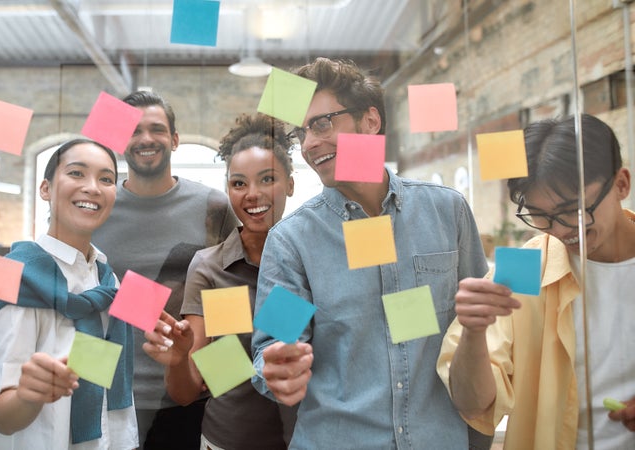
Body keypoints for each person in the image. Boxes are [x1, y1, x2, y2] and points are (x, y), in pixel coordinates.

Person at [249, 57, 489, 449]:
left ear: (371, 122)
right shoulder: (293, 242)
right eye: (301, 132)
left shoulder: (447, 213)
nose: (309, 143)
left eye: (322, 124)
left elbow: (483, 338)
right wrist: (276, 368)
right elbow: (274, 347)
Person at [437, 114, 635, 449]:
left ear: (621, 184)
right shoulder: (527, 266)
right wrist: (473, 331)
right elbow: (474, 403)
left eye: (573, 211)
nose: (559, 231)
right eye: (540, 217)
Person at [0, 138, 136, 449]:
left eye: (106, 179)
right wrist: (30, 395)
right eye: (77, 173)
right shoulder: (14, 277)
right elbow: (2, 418)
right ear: (45, 189)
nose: (93, 187)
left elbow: (93, 383)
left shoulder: (106, 280)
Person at [91, 91, 238, 449]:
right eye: (134, 130)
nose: (145, 139)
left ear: (174, 139)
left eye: (156, 129)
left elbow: (234, 298)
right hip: (106, 396)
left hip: (186, 402)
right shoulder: (96, 207)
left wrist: (222, 382)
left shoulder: (213, 207)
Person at [144, 113, 297, 450]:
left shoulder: (310, 258)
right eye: (239, 183)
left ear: (290, 183)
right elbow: (187, 391)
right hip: (228, 440)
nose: (252, 195)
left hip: (307, 439)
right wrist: (179, 359)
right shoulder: (210, 268)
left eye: (267, 179)